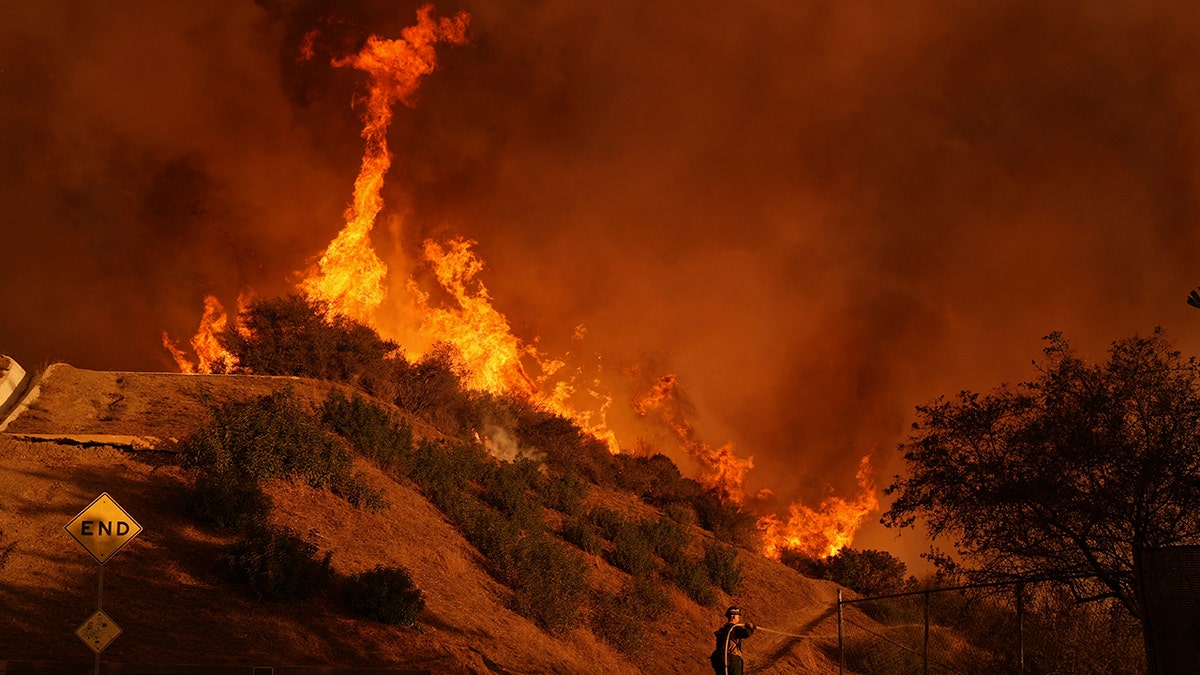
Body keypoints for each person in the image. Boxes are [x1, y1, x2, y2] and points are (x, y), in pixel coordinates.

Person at [710, 605, 757, 675]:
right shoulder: (734, 628)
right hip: (733, 661)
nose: (739, 619)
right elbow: (746, 633)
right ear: (733, 617)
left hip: (722, 661)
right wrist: (750, 627)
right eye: (738, 617)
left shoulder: (723, 630)